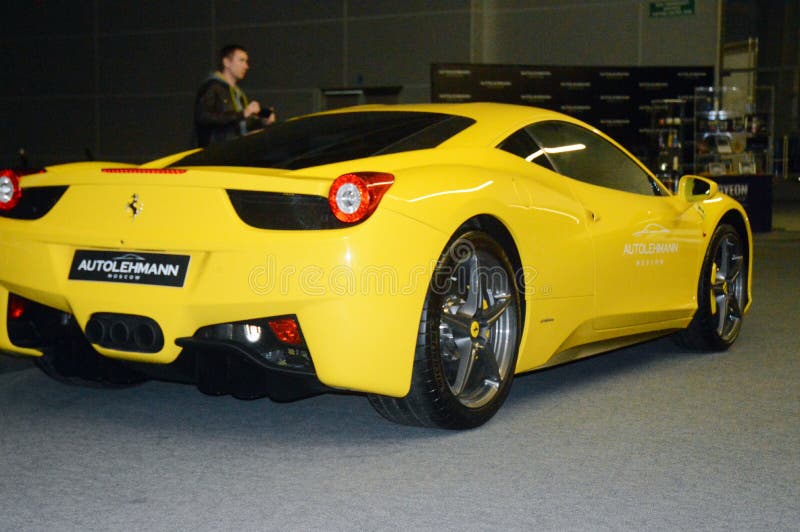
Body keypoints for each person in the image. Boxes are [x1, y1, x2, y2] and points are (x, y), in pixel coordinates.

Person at [194, 44, 276, 147]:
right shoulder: (212, 87)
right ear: (226, 62)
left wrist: (262, 122)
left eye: (246, 61)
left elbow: (239, 126)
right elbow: (203, 117)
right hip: (217, 151)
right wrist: (243, 113)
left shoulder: (238, 94)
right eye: (241, 60)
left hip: (234, 149)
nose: (246, 66)